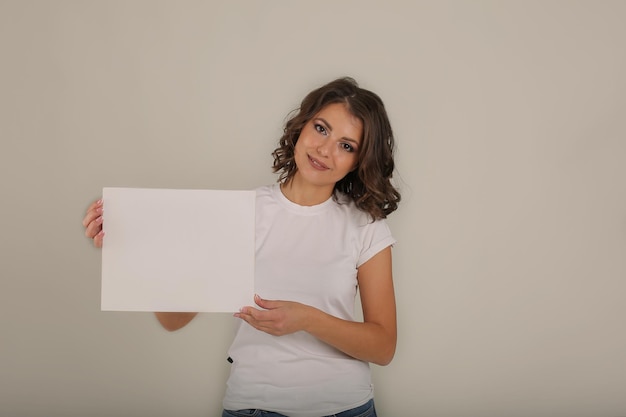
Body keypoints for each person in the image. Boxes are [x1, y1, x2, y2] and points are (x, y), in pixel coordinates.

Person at [82, 77, 401, 417]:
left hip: (345, 408)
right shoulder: (239, 213)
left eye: (346, 145)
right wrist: (134, 246)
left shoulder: (365, 225)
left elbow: (383, 346)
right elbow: (174, 319)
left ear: (359, 161)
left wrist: (307, 319)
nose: (325, 150)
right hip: (253, 407)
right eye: (321, 129)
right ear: (302, 125)